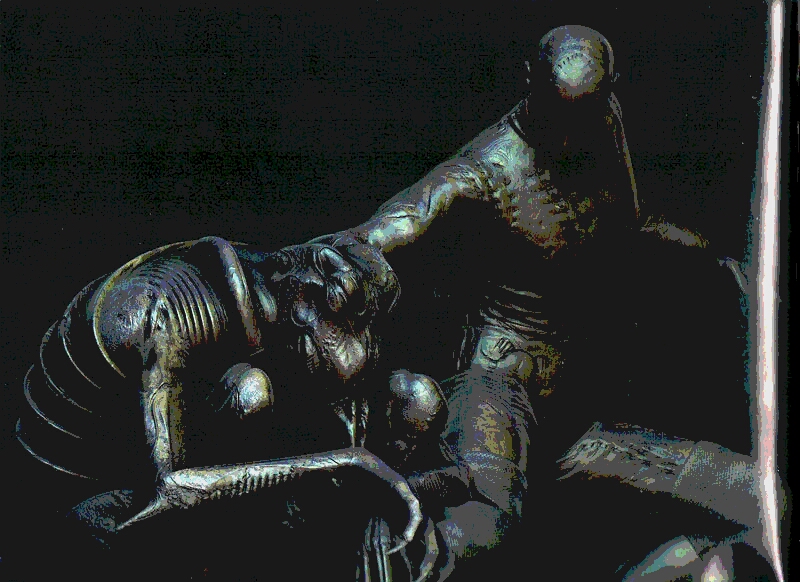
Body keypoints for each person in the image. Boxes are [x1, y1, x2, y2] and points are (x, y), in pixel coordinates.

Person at [308, 24, 759, 579]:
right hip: (494, 389)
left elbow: (628, 225)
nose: (570, 134)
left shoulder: (603, 122)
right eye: (558, 113)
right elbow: (404, 216)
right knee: (485, 523)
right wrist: (338, 253)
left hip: (573, 415)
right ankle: (389, 563)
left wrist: (716, 265)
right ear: (528, 83)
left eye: (585, 113)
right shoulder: (490, 167)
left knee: (750, 494)